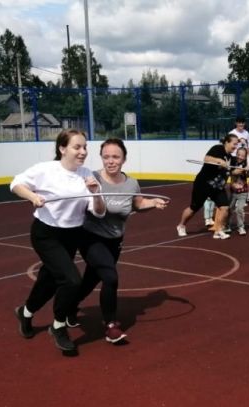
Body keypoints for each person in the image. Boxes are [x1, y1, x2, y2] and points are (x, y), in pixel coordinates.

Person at [11, 129, 106, 355]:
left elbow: (99, 212)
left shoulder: (88, 176)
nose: (83, 152)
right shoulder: (46, 170)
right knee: (72, 280)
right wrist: (33, 197)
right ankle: (59, 325)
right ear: (62, 149)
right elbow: (15, 184)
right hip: (46, 234)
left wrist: (96, 193)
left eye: (85, 147)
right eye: (77, 147)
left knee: (49, 280)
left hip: (71, 235)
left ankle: (25, 313)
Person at [74, 138, 169, 344]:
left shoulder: (130, 183)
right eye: (106, 156)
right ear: (101, 158)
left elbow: (137, 203)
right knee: (110, 277)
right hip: (90, 237)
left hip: (114, 241)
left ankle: (69, 306)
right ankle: (110, 325)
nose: (110, 161)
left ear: (124, 159)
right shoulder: (92, 178)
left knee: (91, 279)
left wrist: (152, 202)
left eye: (115, 157)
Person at [176, 134, 238, 240]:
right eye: (234, 144)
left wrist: (246, 170)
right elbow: (207, 158)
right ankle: (181, 225)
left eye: (237, 144)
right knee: (193, 208)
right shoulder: (218, 149)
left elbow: (233, 171)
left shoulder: (231, 159)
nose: (235, 146)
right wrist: (220, 161)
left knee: (224, 208)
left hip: (217, 187)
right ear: (227, 142)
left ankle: (218, 231)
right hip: (203, 184)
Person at [228, 146, 249, 235]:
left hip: (243, 192)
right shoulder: (232, 162)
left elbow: (247, 175)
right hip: (233, 192)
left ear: (245, 157)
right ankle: (227, 225)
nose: (240, 157)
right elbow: (232, 172)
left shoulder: (245, 165)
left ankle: (241, 227)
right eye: (238, 154)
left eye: (242, 156)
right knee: (229, 209)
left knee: (239, 209)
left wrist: (247, 171)